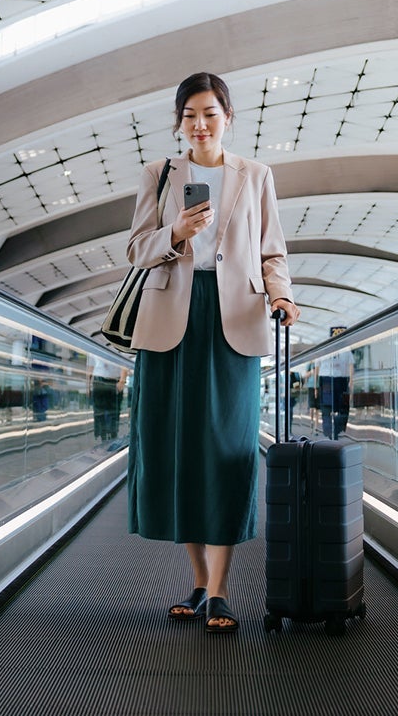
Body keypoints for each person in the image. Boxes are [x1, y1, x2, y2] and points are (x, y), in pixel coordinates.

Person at [125, 72, 299, 635]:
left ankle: (222, 590)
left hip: (236, 320)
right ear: (179, 121)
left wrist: (283, 296)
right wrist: (175, 230)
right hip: (170, 317)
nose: (199, 125)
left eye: (210, 114)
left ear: (228, 116)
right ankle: (199, 583)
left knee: (228, 448)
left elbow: (271, 250)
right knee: (178, 451)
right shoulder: (159, 175)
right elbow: (134, 249)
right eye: (190, 115)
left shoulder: (255, 176)